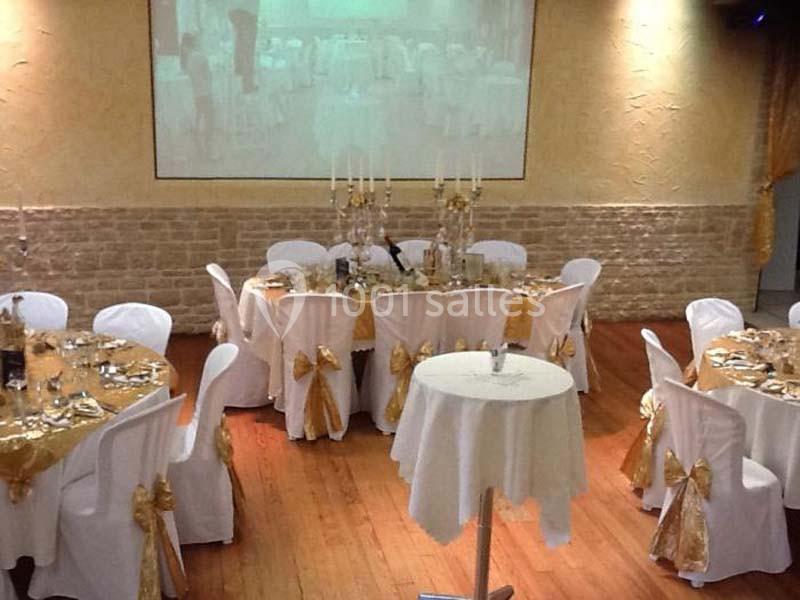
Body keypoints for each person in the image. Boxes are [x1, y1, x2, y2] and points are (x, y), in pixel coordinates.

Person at [180, 33, 214, 159]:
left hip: (196, 93)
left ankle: (201, 149)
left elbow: (191, 75)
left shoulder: (188, 58)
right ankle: (208, 149)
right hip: (204, 92)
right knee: (209, 120)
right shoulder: (198, 56)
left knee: (197, 120)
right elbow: (208, 76)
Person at [228, 0, 259, 93]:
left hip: (234, 9)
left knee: (240, 41)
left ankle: (239, 70)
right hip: (247, 10)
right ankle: (247, 85)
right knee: (248, 50)